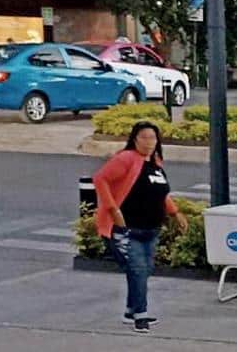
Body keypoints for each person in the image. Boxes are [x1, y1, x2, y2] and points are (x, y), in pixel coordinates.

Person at [92, 121, 189, 334]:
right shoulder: (127, 158)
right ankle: (140, 314)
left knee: (142, 271)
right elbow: (100, 179)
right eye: (143, 137)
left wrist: (175, 213)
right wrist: (113, 210)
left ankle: (130, 309)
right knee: (138, 270)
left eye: (152, 138)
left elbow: (161, 193)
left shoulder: (155, 162)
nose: (148, 142)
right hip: (128, 229)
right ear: (135, 139)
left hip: (151, 227)